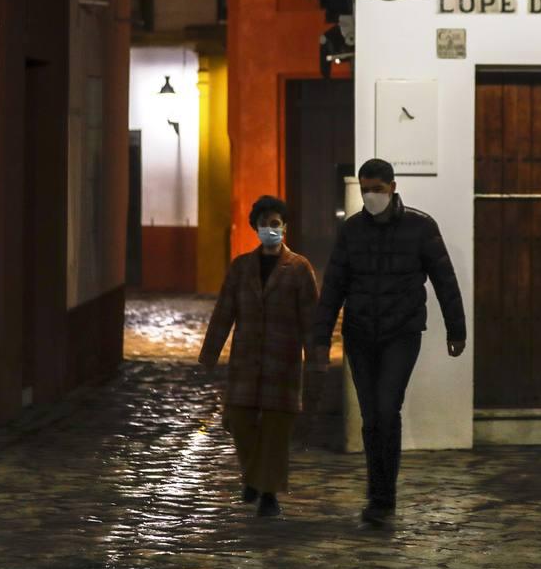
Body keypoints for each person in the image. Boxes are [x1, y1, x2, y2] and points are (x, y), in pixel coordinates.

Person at [312, 158, 467, 525]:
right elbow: (333, 285)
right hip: (360, 334)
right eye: (365, 189)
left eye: (377, 189)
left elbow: (444, 280)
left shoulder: (420, 227)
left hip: (402, 333)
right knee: (370, 418)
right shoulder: (352, 231)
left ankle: (384, 497)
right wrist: (320, 338)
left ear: (393, 187)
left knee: (386, 410)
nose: (370, 196)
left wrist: (456, 329)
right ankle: (377, 494)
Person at [199, 195, 320, 517]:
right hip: (246, 362)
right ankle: (254, 477)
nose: (271, 229)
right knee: (240, 421)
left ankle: (268, 495)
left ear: (285, 227)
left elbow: (310, 317)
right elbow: (224, 312)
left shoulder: (299, 269)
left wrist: (317, 357)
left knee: (275, 432)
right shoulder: (241, 268)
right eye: (265, 224)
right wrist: (210, 353)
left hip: (283, 363)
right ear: (256, 227)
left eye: (276, 224)